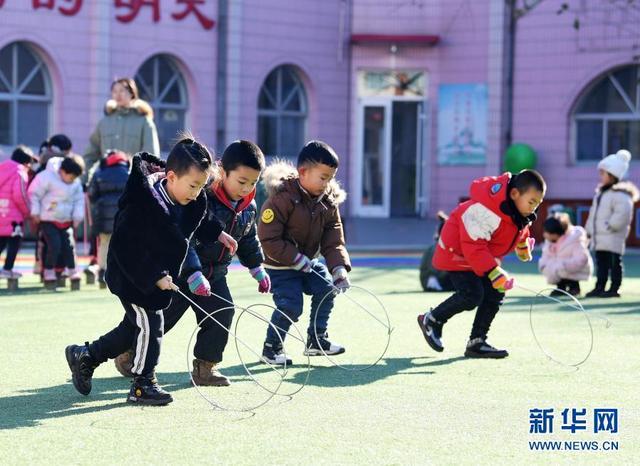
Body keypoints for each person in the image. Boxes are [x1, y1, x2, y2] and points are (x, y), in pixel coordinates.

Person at [65, 137, 212, 406]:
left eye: (201, 186)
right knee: (152, 325)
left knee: (132, 327)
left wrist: (219, 234)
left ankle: (86, 355)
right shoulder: (141, 202)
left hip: (157, 275)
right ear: (171, 177)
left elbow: (195, 226)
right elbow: (126, 248)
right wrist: (154, 276)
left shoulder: (190, 200)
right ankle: (143, 384)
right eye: (193, 185)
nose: (196, 192)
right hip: (132, 276)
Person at [113, 140, 265, 387]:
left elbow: (248, 239)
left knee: (222, 313)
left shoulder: (249, 207)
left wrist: (257, 268)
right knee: (159, 319)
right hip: (181, 274)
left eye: (253, 183)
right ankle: (129, 351)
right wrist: (193, 273)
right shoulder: (200, 196)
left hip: (215, 275)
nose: (246, 188)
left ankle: (205, 366)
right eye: (241, 181)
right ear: (222, 172)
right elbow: (184, 239)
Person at [417, 170, 546, 358]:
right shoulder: (484, 211)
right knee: (471, 294)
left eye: (538, 204)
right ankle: (432, 320)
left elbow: (518, 230)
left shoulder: (519, 211)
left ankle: (477, 341)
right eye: (531, 202)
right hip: (457, 253)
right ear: (514, 194)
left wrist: (522, 246)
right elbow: (473, 246)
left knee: (496, 291)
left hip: (479, 256)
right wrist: (493, 271)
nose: (533, 208)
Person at [258, 140, 351, 365]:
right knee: (290, 305)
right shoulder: (282, 198)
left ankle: (316, 340)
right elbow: (269, 238)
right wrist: (295, 258)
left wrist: (339, 268)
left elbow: (333, 239)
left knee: (327, 288)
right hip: (280, 265)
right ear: (303, 172)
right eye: (323, 177)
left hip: (308, 262)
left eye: (330, 178)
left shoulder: (328, 202)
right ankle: (271, 348)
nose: (327, 184)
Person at [584, 150, 639, 298]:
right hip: (600, 237)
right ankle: (600, 286)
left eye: (603, 173)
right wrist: (589, 230)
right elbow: (593, 214)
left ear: (612, 175)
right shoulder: (601, 194)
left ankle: (614, 288)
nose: (600, 176)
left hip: (612, 236)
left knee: (614, 263)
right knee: (601, 263)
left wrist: (611, 225)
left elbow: (623, 213)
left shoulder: (621, 195)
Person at [28, 155, 85, 286]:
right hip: (48, 219)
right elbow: (34, 194)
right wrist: (35, 212)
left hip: (66, 220)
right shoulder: (46, 177)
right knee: (54, 244)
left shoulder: (75, 183)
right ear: (62, 171)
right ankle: (48, 270)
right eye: (71, 177)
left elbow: (79, 200)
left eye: (74, 178)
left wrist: (77, 216)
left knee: (69, 245)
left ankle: (72, 269)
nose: (72, 180)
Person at [86, 150, 131, 287]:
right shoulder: (130, 173)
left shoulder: (99, 173)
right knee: (124, 245)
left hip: (103, 215)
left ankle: (102, 273)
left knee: (104, 244)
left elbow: (91, 194)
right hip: (124, 215)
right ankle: (123, 275)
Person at [0, 146, 36, 279]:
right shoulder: (20, 172)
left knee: (1, 241)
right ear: (26, 162)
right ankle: (7, 269)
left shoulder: (2, 168)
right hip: (13, 216)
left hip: (1, 213)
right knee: (14, 241)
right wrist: (28, 211)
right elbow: (20, 195)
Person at [539, 213, 592, 296]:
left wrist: (563, 265)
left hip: (573, 268)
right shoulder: (550, 242)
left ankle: (574, 286)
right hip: (559, 267)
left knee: (559, 267)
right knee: (554, 266)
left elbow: (581, 259)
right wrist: (543, 265)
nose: (545, 234)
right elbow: (546, 255)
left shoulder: (575, 239)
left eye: (548, 232)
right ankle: (561, 287)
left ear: (557, 233)